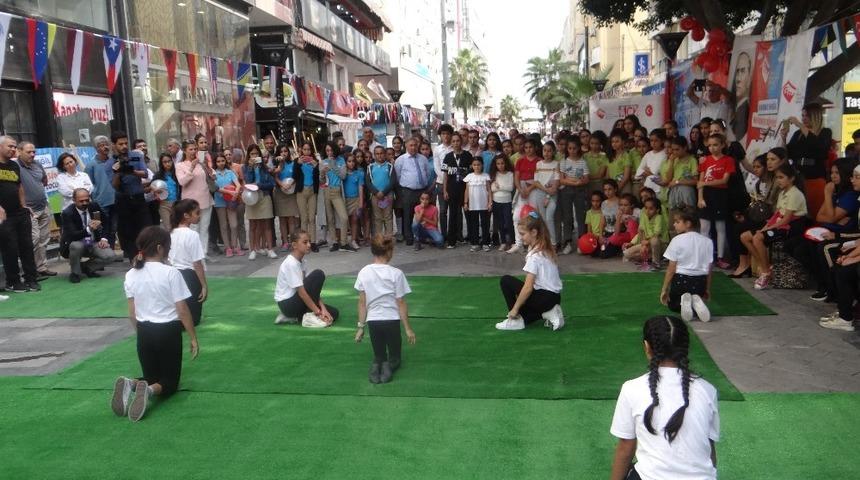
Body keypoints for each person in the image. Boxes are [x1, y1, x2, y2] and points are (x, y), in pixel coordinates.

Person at [609, 315, 719, 480]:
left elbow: (626, 448)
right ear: (685, 348)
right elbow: (709, 450)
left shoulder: (631, 389)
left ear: (647, 347)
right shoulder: (708, 390)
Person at [113, 226, 199, 422]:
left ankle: (131, 384)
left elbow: (132, 312)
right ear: (160, 248)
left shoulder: (131, 275)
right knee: (169, 383)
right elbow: (182, 309)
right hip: (167, 330)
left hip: (144, 330)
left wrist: (140, 333)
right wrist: (193, 337)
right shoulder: (171, 273)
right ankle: (149, 392)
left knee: (151, 376)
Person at [354, 234, 416, 384]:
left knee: (379, 354)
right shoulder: (396, 274)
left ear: (372, 251)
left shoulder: (364, 272)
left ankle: (377, 365)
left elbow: (362, 302)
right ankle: (389, 366)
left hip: (373, 322)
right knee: (395, 356)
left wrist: (361, 327)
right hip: (391, 321)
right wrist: (408, 328)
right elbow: (400, 302)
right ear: (389, 252)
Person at [743, 164, 808, 290]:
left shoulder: (795, 194)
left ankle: (766, 273)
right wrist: (766, 226)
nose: (778, 180)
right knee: (745, 237)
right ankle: (764, 266)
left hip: (790, 228)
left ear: (792, 178)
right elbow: (777, 214)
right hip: (779, 224)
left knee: (757, 238)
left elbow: (786, 219)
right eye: (777, 177)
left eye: (781, 177)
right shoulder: (783, 193)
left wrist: (767, 229)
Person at [496, 212, 564, 331]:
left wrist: (515, 309)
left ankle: (515, 320)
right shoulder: (546, 249)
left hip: (544, 298)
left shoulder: (535, 256)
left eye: (523, 234)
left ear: (534, 232)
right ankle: (549, 312)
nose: (521, 237)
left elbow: (528, 288)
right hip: (555, 298)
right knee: (526, 314)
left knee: (506, 281)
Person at [274, 230, 339, 326]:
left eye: (309, 241)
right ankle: (294, 315)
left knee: (334, 313)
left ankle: (295, 317)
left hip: (296, 300)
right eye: (305, 242)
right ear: (294, 245)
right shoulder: (291, 263)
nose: (309, 245)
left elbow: (312, 290)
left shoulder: (303, 261)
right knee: (318, 274)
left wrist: (323, 308)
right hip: (287, 304)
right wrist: (319, 312)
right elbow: (302, 293)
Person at [0, 136, 39, 292]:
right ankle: (13, 281)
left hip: (19, 213)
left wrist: (24, 205)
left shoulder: (14, 166)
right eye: (10, 146)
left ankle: (31, 278)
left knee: (27, 246)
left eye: (15, 147)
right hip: (4, 216)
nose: (13, 149)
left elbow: (20, 186)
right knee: (10, 248)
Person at [660, 208, 713, 322]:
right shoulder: (708, 241)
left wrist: (664, 289)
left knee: (672, 305)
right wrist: (707, 289)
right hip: (700, 282)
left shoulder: (676, 240)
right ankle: (695, 302)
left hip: (681, 281)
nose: (674, 224)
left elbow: (671, 268)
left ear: (688, 223)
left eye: (677, 222)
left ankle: (682, 302)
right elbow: (709, 269)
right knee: (696, 294)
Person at [783, 103, 832, 219]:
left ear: (815, 116)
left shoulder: (825, 132)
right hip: (798, 176)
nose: (804, 118)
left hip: (815, 177)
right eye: (803, 115)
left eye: (807, 116)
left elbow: (821, 150)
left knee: (815, 210)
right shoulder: (797, 134)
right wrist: (783, 138)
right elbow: (787, 153)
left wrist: (800, 125)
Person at [110, 131, 152, 262]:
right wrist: (118, 172)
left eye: (125, 143)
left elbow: (145, 174)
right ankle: (133, 260)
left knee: (146, 228)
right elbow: (114, 186)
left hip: (139, 198)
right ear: (114, 145)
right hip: (123, 200)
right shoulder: (111, 162)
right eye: (120, 144)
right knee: (127, 232)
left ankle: (148, 256)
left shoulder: (135, 156)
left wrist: (132, 171)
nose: (123, 146)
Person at [15, 142, 55, 278]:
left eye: (34, 152)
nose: (32, 154)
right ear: (19, 151)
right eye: (28, 152)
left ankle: (41, 267)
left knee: (44, 238)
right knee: (34, 238)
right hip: (28, 210)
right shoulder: (15, 166)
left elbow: (44, 180)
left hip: (43, 206)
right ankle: (29, 270)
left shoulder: (37, 164)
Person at [697, 134, 736, 270]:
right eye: (710, 145)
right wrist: (700, 198)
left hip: (720, 195)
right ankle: (704, 257)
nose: (712, 148)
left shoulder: (728, 160)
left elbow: (724, 180)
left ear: (722, 145)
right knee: (704, 228)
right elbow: (700, 181)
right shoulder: (705, 161)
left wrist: (706, 183)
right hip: (707, 195)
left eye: (715, 145)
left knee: (720, 228)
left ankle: (720, 257)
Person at [59, 188, 114, 283]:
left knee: (111, 256)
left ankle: (87, 268)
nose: (85, 203)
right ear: (73, 200)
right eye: (81, 201)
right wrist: (89, 229)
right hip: (77, 243)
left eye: (87, 200)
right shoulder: (67, 213)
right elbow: (72, 235)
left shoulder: (94, 206)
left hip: (93, 242)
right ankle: (75, 273)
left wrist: (104, 239)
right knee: (76, 246)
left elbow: (106, 222)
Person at [169, 199, 208, 326]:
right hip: (189, 277)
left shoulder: (171, 233)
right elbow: (197, 263)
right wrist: (204, 285)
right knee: (193, 320)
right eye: (197, 213)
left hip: (172, 274)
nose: (199, 216)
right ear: (186, 215)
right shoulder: (192, 235)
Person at [175, 139, 215, 257]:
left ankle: (203, 253)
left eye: (195, 149)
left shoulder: (201, 163)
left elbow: (212, 176)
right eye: (190, 149)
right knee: (193, 228)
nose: (193, 151)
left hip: (205, 198)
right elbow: (182, 182)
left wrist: (210, 172)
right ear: (184, 151)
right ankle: (193, 254)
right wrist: (191, 167)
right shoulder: (180, 165)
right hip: (190, 202)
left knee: (204, 227)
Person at [243, 144, 278, 260]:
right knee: (253, 225)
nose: (254, 156)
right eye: (252, 154)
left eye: (256, 153)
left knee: (267, 223)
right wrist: (250, 168)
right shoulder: (245, 167)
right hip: (251, 197)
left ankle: (270, 249)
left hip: (264, 196)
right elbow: (248, 181)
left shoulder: (265, 168)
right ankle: (253, 249)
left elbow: (271, 184)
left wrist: (259, 185)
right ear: (248, 155)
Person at [394, 137, 431, 246]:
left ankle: (421, 236)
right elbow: (398, 175)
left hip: (422, 191)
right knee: (408, 214)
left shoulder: (423, 159)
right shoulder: (401, 159)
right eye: (411, 145)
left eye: (415, 145)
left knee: (423, 214)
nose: (413, 147)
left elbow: (427, 173)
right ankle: (409, 237)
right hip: (408, 191)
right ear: (406, 146)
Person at [558, 137, 590, 252]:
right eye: (570, 148)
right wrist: (574, 182)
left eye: (574, 148)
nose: (572, 150)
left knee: (581, 216)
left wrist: (578, 182)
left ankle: (582, 242)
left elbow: (586, 179)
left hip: (580, 191)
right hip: (566, 191)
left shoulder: (583, 162)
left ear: (578, 148)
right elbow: (561, 180)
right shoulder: (564, 161)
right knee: (567, 216)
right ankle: (567, 241)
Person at [84, 135, 117, 248]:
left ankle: (110, 250)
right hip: (100, 202)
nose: (105, 147)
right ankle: (99, 251)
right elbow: (88, 184)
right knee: (100, 227)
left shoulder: (114, 162)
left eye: (106, 144)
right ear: (96, 148)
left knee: (113, 227)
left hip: (115, 199)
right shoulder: (91, 165)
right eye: (101, 145)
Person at [319, 142, 349, 251]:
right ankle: (334, 242)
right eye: (327, 150)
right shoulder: (323, 162)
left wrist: (333, 165)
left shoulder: (340, 160)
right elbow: (321, 181)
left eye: (331, 150)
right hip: (326, 190)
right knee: (330, 218)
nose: (329, 153)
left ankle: (344, 242)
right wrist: (322, 173)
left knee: (344, 217)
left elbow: (343, 176)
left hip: (337, 191)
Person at [624, 197, 666, 270]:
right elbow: (641, 232)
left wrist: (646, 243)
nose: (647, 211)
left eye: (651, 208)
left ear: (657, 210)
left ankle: (656, 263)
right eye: (646, 208)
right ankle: (650, 258)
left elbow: (657, 233)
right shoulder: (644, 217)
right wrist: (631, 243)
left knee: (654, 240)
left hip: (660, 245)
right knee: (627, 254)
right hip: (647, 244)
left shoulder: (659, 217)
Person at [212, 152, 242, 257]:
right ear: (215, 162)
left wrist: (236, 192)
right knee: (223, 225)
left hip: (231, 201)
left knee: (234, 225)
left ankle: (235, 246)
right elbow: (215, 188)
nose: (220, 163)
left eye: (222, 161)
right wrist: (229, 192)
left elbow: (237, 184)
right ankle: (228, 247)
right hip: (219, 202)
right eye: (218, 161)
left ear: (225, 161)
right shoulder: (213, 174)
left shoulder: (230, 172)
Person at [294, 142, 320, 251]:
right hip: (301, 191)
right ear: (302, 151)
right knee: (304, 218)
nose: (307, 152)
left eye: (308, 149)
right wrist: (298, 164)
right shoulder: (297, 161)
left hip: (312, 191)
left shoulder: (315, 162)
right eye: (304, 149)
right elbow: (294, 176)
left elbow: (318, 178)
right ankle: (304, 242)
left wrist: (316, 167)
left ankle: (313, 242)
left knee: (312, 218)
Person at [533, 141, 561, 246]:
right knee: (543, 219)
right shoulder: (538, 164)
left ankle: (554, 243)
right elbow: (536, 181)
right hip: (540, 193)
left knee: (549, 218)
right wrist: (545, 191)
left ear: (553, 152)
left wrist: (549, 195)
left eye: (549, 151)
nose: (547, 153)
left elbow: (557, 180)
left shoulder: (556, 164)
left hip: (552, 194)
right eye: (545, 150)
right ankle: (546, 242)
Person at [463, 157, 492, 252]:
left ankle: (485, 243)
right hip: (473, 205)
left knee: (485, 224)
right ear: (472, 166)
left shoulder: (485, 176)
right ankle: (475, 243)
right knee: (474, 224)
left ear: (482, 165)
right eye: (474, 165)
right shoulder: (469, 177)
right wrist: (466, 202)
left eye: (478, 164)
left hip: (484, 204)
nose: (476, 166)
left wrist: (490, 202)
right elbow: (466, 191)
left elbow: (489, 190)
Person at [368, 145, 395, 237]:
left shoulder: (389, 166)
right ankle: (379, 237)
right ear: (374, 155)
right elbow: (368, 182)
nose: (379, 156)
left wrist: (383, 192)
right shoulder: (370, 167)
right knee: (377, 217)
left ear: (385, 154)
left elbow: (393, 181)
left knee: (388, 216)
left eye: (381, 153)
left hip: (388, 195)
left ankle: (388, 237)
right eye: (377, 154)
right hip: (375, 196)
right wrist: (376, 192)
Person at [490, 154, 515, 251]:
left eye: (502, 163)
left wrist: (499, 186)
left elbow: (510, 188)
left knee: (508, 222)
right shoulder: (494, 174)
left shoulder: (510, 174)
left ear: (506, 163)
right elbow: (492, 189)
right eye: (498, 164)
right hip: (496, 201)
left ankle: (512, 242)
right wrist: (497, 187)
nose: (500, 165)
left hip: (507, 202)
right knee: (500, 223)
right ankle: (503, 242)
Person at [635, 129, 668, 195]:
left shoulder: (665, 154)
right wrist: (648, 173)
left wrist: (650, 173)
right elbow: (637, 174)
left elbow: (656, 172)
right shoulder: (648, 154)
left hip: (659, 188)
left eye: (656, 140)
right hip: (647, 187)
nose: (653, 143)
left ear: (662, 141)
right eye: (651, 140)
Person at [342, 153, 364, 252]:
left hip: (355, 199)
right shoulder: (343, 174)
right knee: (345, 221)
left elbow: (360, 189)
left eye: (353, 161)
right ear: (345, 162)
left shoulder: (359, 173)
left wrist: (361, 203)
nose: (351, 163)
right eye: (349, 161)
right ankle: (343, 241)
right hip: (344, 200)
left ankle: (354, 240)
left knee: (354, 220)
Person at [153, 152, 180, 228]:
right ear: (161, 164)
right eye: (165, 162)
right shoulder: (158, 175)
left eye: (169, 161)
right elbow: (151, 187)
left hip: (176, 203)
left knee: (177, 226)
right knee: (168, 227)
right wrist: (156, 191)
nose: (167, 164)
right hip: (164, 204)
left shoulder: (176, 173)